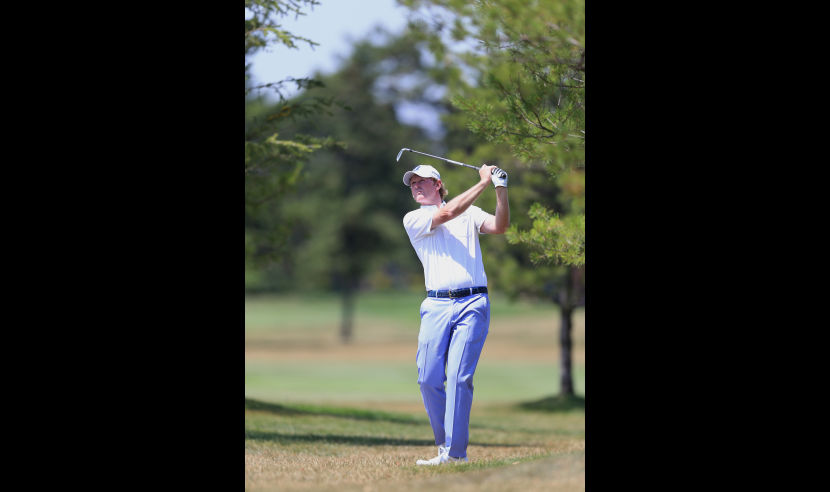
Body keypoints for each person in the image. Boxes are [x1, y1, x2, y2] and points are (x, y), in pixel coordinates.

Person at [401, 162, 510, 465]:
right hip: (435, 305)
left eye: (423, 182)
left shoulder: (470, 212)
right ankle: (443, 445)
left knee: (459, 377)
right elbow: (448, 214)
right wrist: (484, 183)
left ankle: (455, 454)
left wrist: (501, 190)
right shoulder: (414, 218)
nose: (417, 187)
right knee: (428, 378)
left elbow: (501, 226)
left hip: (473, 304)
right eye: (413, 184)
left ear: (438, 184)